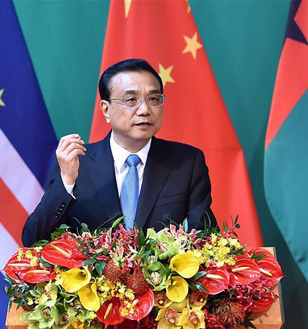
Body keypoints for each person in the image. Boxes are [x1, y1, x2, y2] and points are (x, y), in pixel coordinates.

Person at [22, 58, 216, 246]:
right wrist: (67, 182)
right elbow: (34, 238)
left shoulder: (187, 162)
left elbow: (205, 238)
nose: (144, 110)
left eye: (154, 99)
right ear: (106, 109)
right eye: (131, 100)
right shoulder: (78, 163)